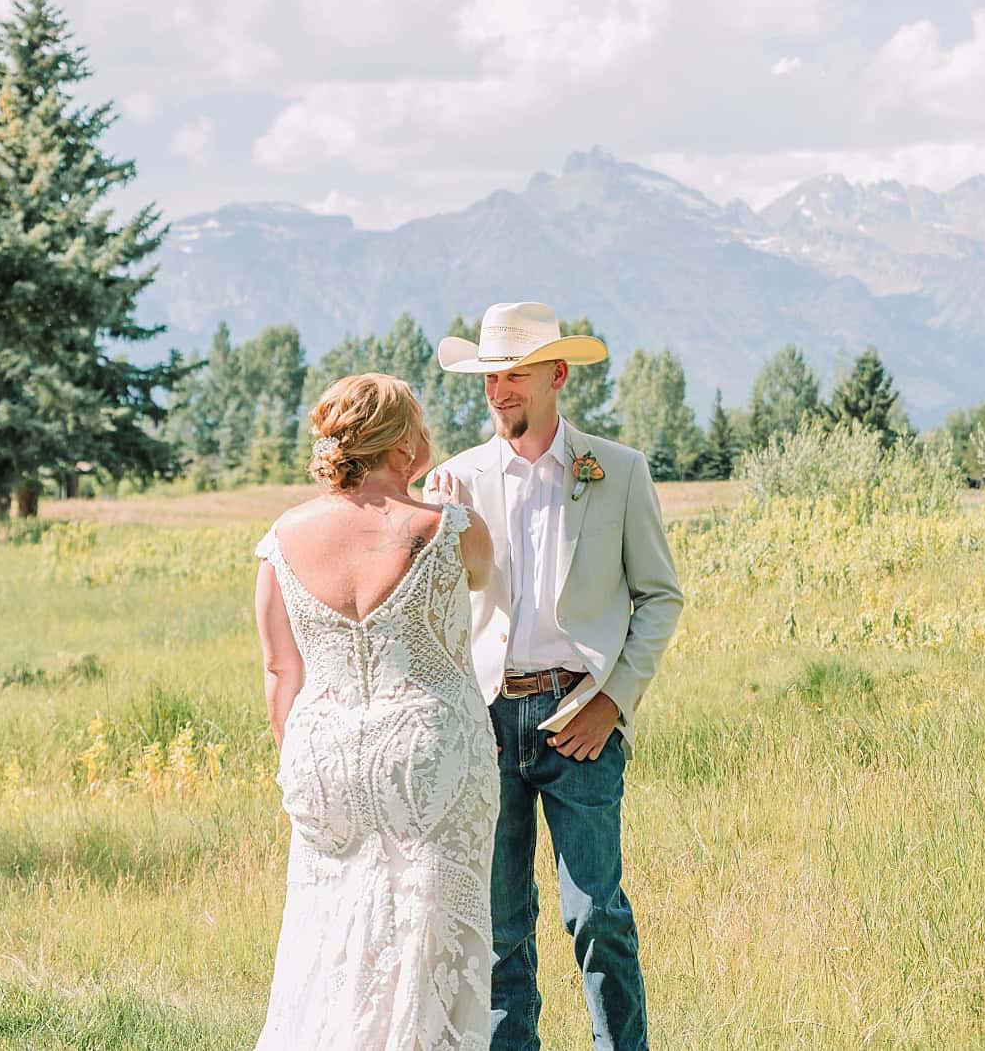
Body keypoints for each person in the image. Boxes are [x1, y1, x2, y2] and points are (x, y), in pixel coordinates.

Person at [426, 302, 683, 1050]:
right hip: (487, 725)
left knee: (597, 913)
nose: (497, 391)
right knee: (501, 930)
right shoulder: (454, 482)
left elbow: (660, 596)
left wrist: (612, 699)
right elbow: (434, 616)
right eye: (488, 378)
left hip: (581, 721)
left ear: (557, 376)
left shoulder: (618, 470)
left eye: (513, 375)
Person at [252, 372, 499, 1050]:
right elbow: (484, 573)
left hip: (322, 754)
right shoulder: (444, 527)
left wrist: (300, 764)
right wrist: (442, 502)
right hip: (430, 755)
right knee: (426, 936)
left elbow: (281, 668)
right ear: (406, 442)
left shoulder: (283, 537)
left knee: (325, 937)